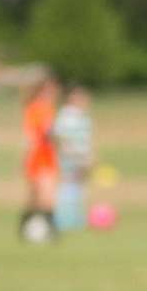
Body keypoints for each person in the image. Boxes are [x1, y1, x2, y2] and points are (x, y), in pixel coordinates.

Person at [19, 71, 61, 238]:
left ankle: (27, 227)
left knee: (40, 197)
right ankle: (49, 231)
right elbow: (36, 135)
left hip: (48, 155)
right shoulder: (36, 109)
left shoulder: (48, 109)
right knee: (43, 196)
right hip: (38, 156)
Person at [53, 84, 95, 231]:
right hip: (69, 159)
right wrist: (76, 156)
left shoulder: (82, 117)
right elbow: (61, 138)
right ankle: (64, 220)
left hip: (79, 157)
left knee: (78, 189)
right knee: (68, 188)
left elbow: (85, 140)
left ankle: (76, 218)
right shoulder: (68, 116)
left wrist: (88, 156)